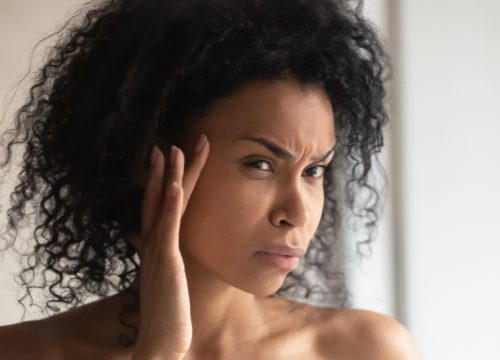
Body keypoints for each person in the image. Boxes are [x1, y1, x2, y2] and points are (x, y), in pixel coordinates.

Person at [0, 0, 421, 358]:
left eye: (314, 170)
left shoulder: (364, 349)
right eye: (260, 164)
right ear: (152, 160)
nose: (297, 213)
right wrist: (161, 349)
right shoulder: (25, 352)